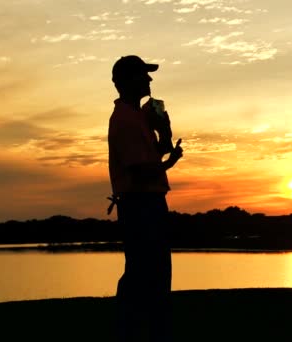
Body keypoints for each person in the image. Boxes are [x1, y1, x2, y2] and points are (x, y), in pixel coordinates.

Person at [107, 55, 183, 342]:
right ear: (126, 81)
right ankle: (138, 329)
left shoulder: (138, 116)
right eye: (143, 75)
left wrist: (163, 133)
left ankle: (144, 326)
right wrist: (168, 164)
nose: (149, 80)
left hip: (146, 202)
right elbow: (140, 172)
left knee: (150, 270)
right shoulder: (125, 120)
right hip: (140, 204)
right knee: (145, 271)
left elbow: (152, 156)